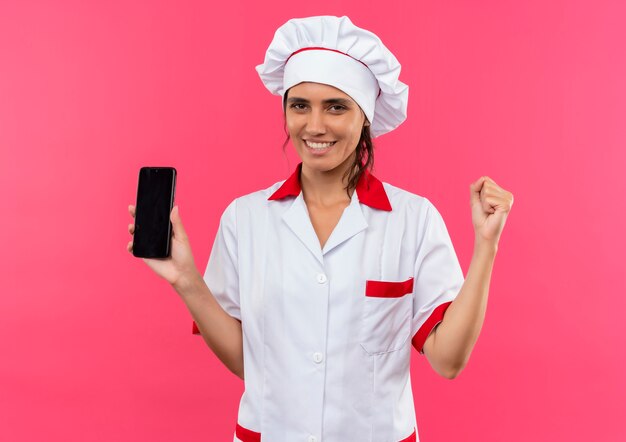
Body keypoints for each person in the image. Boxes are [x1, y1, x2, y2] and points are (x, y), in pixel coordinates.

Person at [126, 15, 514, 442]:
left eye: (336, 106)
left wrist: (486, 246)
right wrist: (185, 279)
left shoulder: (413, 220)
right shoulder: (246, 218)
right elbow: (246, 361)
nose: (314, 126)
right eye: (300, 106)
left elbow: (448, 361)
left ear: (365, 116)